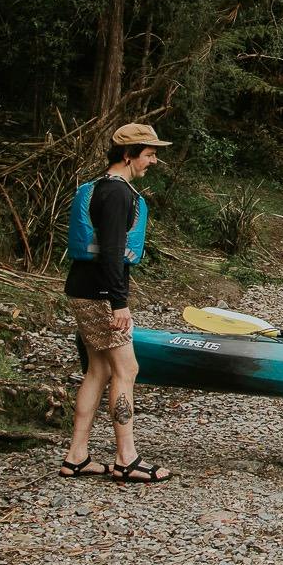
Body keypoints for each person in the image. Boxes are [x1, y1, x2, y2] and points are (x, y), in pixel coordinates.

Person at [58, 122, 175, 484]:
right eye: (149, 154)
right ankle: (127, 458)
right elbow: (110, 251)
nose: (153, 161)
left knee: (100, 369)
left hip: (85, 288)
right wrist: (118, 301)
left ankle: (77, 456)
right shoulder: (118, 194)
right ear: (128, 155)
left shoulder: (102, 188)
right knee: (127, 369)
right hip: (100, 294)